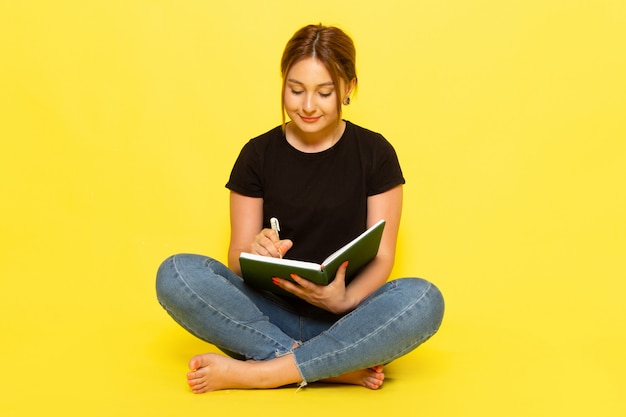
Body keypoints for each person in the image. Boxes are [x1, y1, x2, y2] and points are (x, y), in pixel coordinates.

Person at [156, 24, 444, 393]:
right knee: (176, 273)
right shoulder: (257, 155)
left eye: (324, 93)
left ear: (348, 88)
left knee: (423, 299)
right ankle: (327, 365)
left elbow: (383, 254)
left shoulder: (375, 154)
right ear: (283, 83)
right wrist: (254, 249)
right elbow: (235, 256)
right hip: (265, 315)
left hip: (346, 321)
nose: (307, 106)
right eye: (296, 90)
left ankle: (263, 372)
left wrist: (345, 300)